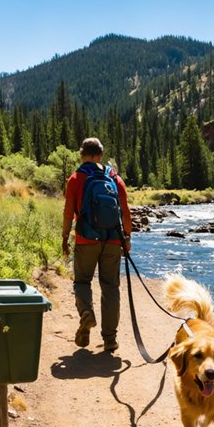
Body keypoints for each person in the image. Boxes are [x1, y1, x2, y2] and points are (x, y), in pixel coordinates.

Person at [62, 137, 132, 352]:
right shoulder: (115, 178)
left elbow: (68, 212)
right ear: (100, 155)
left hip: (85, 239)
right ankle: (110, 339)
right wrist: (127, 238)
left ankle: (86, 313)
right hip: (112, 240)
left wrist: (65, 237)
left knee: (82, 282)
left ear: (82, 154)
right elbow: (125, 211)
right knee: (110, 287)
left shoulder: (76, 178)